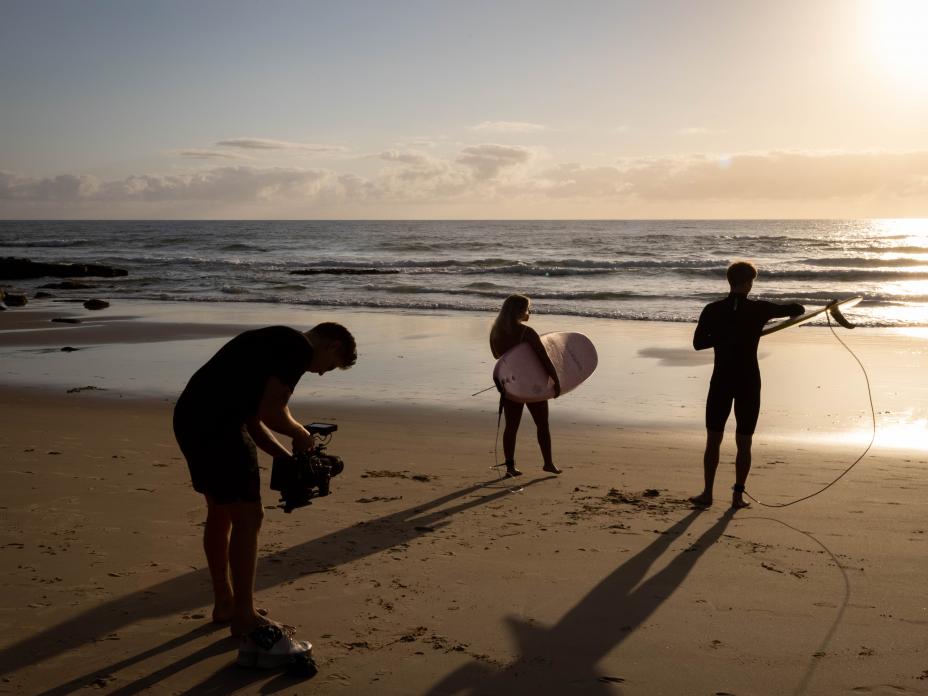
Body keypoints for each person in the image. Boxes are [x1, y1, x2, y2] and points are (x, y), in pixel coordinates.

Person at [173, 322, 356, 664]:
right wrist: (300, 433)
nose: (319, 373)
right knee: (249, 516)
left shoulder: (269, 343)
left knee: (221, 510)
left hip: (191, 417)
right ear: (331, 345)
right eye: (329, 367)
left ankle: (225, 602)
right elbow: (272, 412)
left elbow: (254, 419)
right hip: (219, 425)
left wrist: (288, 457)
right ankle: (243, 614)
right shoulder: (297, 347)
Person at [690, 262, 804, 509]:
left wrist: (723, 336)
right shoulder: (759, 309)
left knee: (714, 439)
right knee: (744, 441)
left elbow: (698, 343)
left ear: (729, 281)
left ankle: (707, 493)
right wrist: (749, 330)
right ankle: (737, 496)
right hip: (748, 381)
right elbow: (797, 308)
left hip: (721, 379)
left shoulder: (712, 309)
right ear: (750, 283)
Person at [490, 294, 562, 476]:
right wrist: (556, 379)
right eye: (527, 308)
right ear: (519, 311)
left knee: (511, 427)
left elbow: (498, 358)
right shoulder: (526, 332)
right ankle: (548, 463)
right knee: (542, 425)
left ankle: (510, 467)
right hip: (532, 384)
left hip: (511, 384)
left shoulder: (496, 331)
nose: (529, 312)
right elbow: (544, 357)